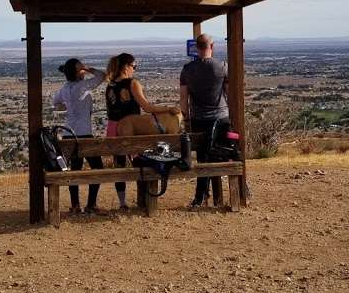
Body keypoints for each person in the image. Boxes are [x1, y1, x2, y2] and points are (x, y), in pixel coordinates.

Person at [105, 52, 180, 210]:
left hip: (112, 127)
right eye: (134, 66)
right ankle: (144, 199)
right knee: (140, 162)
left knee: (119, 165)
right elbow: (146, 107)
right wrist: (168, 108)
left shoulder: (110, 85)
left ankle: (122, 202)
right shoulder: (132, 83)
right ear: (126, 67)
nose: (135, 70)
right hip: (132, 128)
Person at [179, 33, 231, 208]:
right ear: (212, 46)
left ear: (196, 48)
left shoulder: (187, 70)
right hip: (221, 118)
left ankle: (201, 196)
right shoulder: (222, 67)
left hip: (199, 119)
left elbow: (183, 99)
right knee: (221, 155)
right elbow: (229, 94)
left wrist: (186, 120)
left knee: (203, 159)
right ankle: (214, 196)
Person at [52, 58, 106, 214]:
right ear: (77, 72)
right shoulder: (82, 86)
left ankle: (75, 205)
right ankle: (91, 205)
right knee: (97, 169)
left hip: (69, 134)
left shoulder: (65, 88)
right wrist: (88, 68)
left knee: (74, 170)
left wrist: (64, 106)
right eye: (80, 69)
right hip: (84, 135)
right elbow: (102, 76)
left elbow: (56, 103)